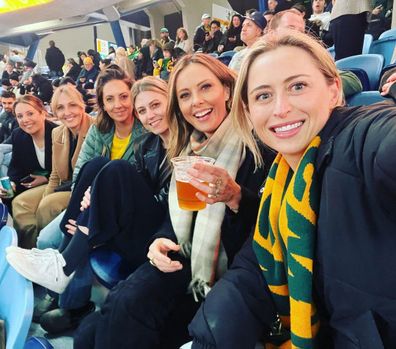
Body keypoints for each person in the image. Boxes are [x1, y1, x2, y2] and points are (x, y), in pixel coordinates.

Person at [188, 30, 396, 348]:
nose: (280, 108)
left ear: (333, 89)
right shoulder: (281, 179)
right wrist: (208, 338)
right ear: (248, 109)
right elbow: (253, 268)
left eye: (297, 86)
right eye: (263, 96)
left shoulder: (361, 137)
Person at [72, 53, 275, 349]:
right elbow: (173, 213)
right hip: (184, 256)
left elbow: (264, 231)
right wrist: (160, 240)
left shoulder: (258, 146)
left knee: (127, 307)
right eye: (185, 95)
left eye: (206, 88)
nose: (197, 102)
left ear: (227, 90)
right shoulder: (188, 145)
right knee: (90, 331)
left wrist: (235, 196)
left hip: (221, 272)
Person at [8, 76, 170, 335]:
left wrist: (98, 195)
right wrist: (93, 195)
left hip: (130, 216)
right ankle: (60, 265)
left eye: (124, 97)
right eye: (109, 99)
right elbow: (84, 169)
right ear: (102, 104)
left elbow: (136, 185)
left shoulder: (147, 135)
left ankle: (66, 284)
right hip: (97, 199)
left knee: (109, 173)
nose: (118, 105)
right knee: (94, 174)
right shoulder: (133, 138)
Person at [11, 85, 93, 250]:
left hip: (81, 190)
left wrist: (45, 200)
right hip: (61, 184)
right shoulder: (59, 133)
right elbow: (55, 174)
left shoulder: (95, 129)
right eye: (60, 108)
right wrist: (44, 196)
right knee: (21, 203)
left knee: (48, 205)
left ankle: (47, 253)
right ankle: (29, 248)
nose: (67, 112)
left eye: (72, 105)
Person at [0, 95, 57, 222]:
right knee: (7, 196)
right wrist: (12, 183)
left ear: (42, 113)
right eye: (20, 116)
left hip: (58, 183)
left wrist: (46, 178)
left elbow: (69, 168)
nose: (25, 120)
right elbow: (16, 167)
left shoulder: (58, 133)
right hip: (32, 181)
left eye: (30, 113)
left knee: (21, 204)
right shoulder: (18, 135)